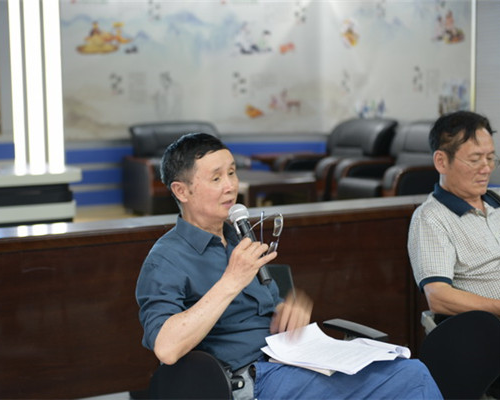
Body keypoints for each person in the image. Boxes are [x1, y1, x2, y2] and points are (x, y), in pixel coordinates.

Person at [136, 132, 442, 399]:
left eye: (232, 173)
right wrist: (231, 281)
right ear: (181, 191)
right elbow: (167, 348)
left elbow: (269, 306)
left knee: (403, 369)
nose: (230, 186)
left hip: (291, 359)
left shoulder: (238, 236)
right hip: (249, 379)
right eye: (216, 178)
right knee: (410, 378)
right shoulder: (166, 258)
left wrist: (285, 312)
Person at [408, 110, 500, 318]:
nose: (487, 168)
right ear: (441, 162)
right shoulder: (431, 218)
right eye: (475, 159)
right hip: (491, 327)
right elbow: (439, 297)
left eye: (490, 158)